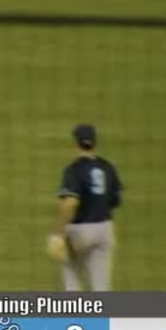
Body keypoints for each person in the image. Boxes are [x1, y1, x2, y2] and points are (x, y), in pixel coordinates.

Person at [47, 124, 123, 291]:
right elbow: (115, 200)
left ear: (76, 142)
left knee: (72, 281)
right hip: (104, 228)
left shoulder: (74, 169)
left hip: (79, 231)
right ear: (95, 142)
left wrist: (57, 232)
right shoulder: (107, 167)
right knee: (102, 286)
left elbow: (70, 202)